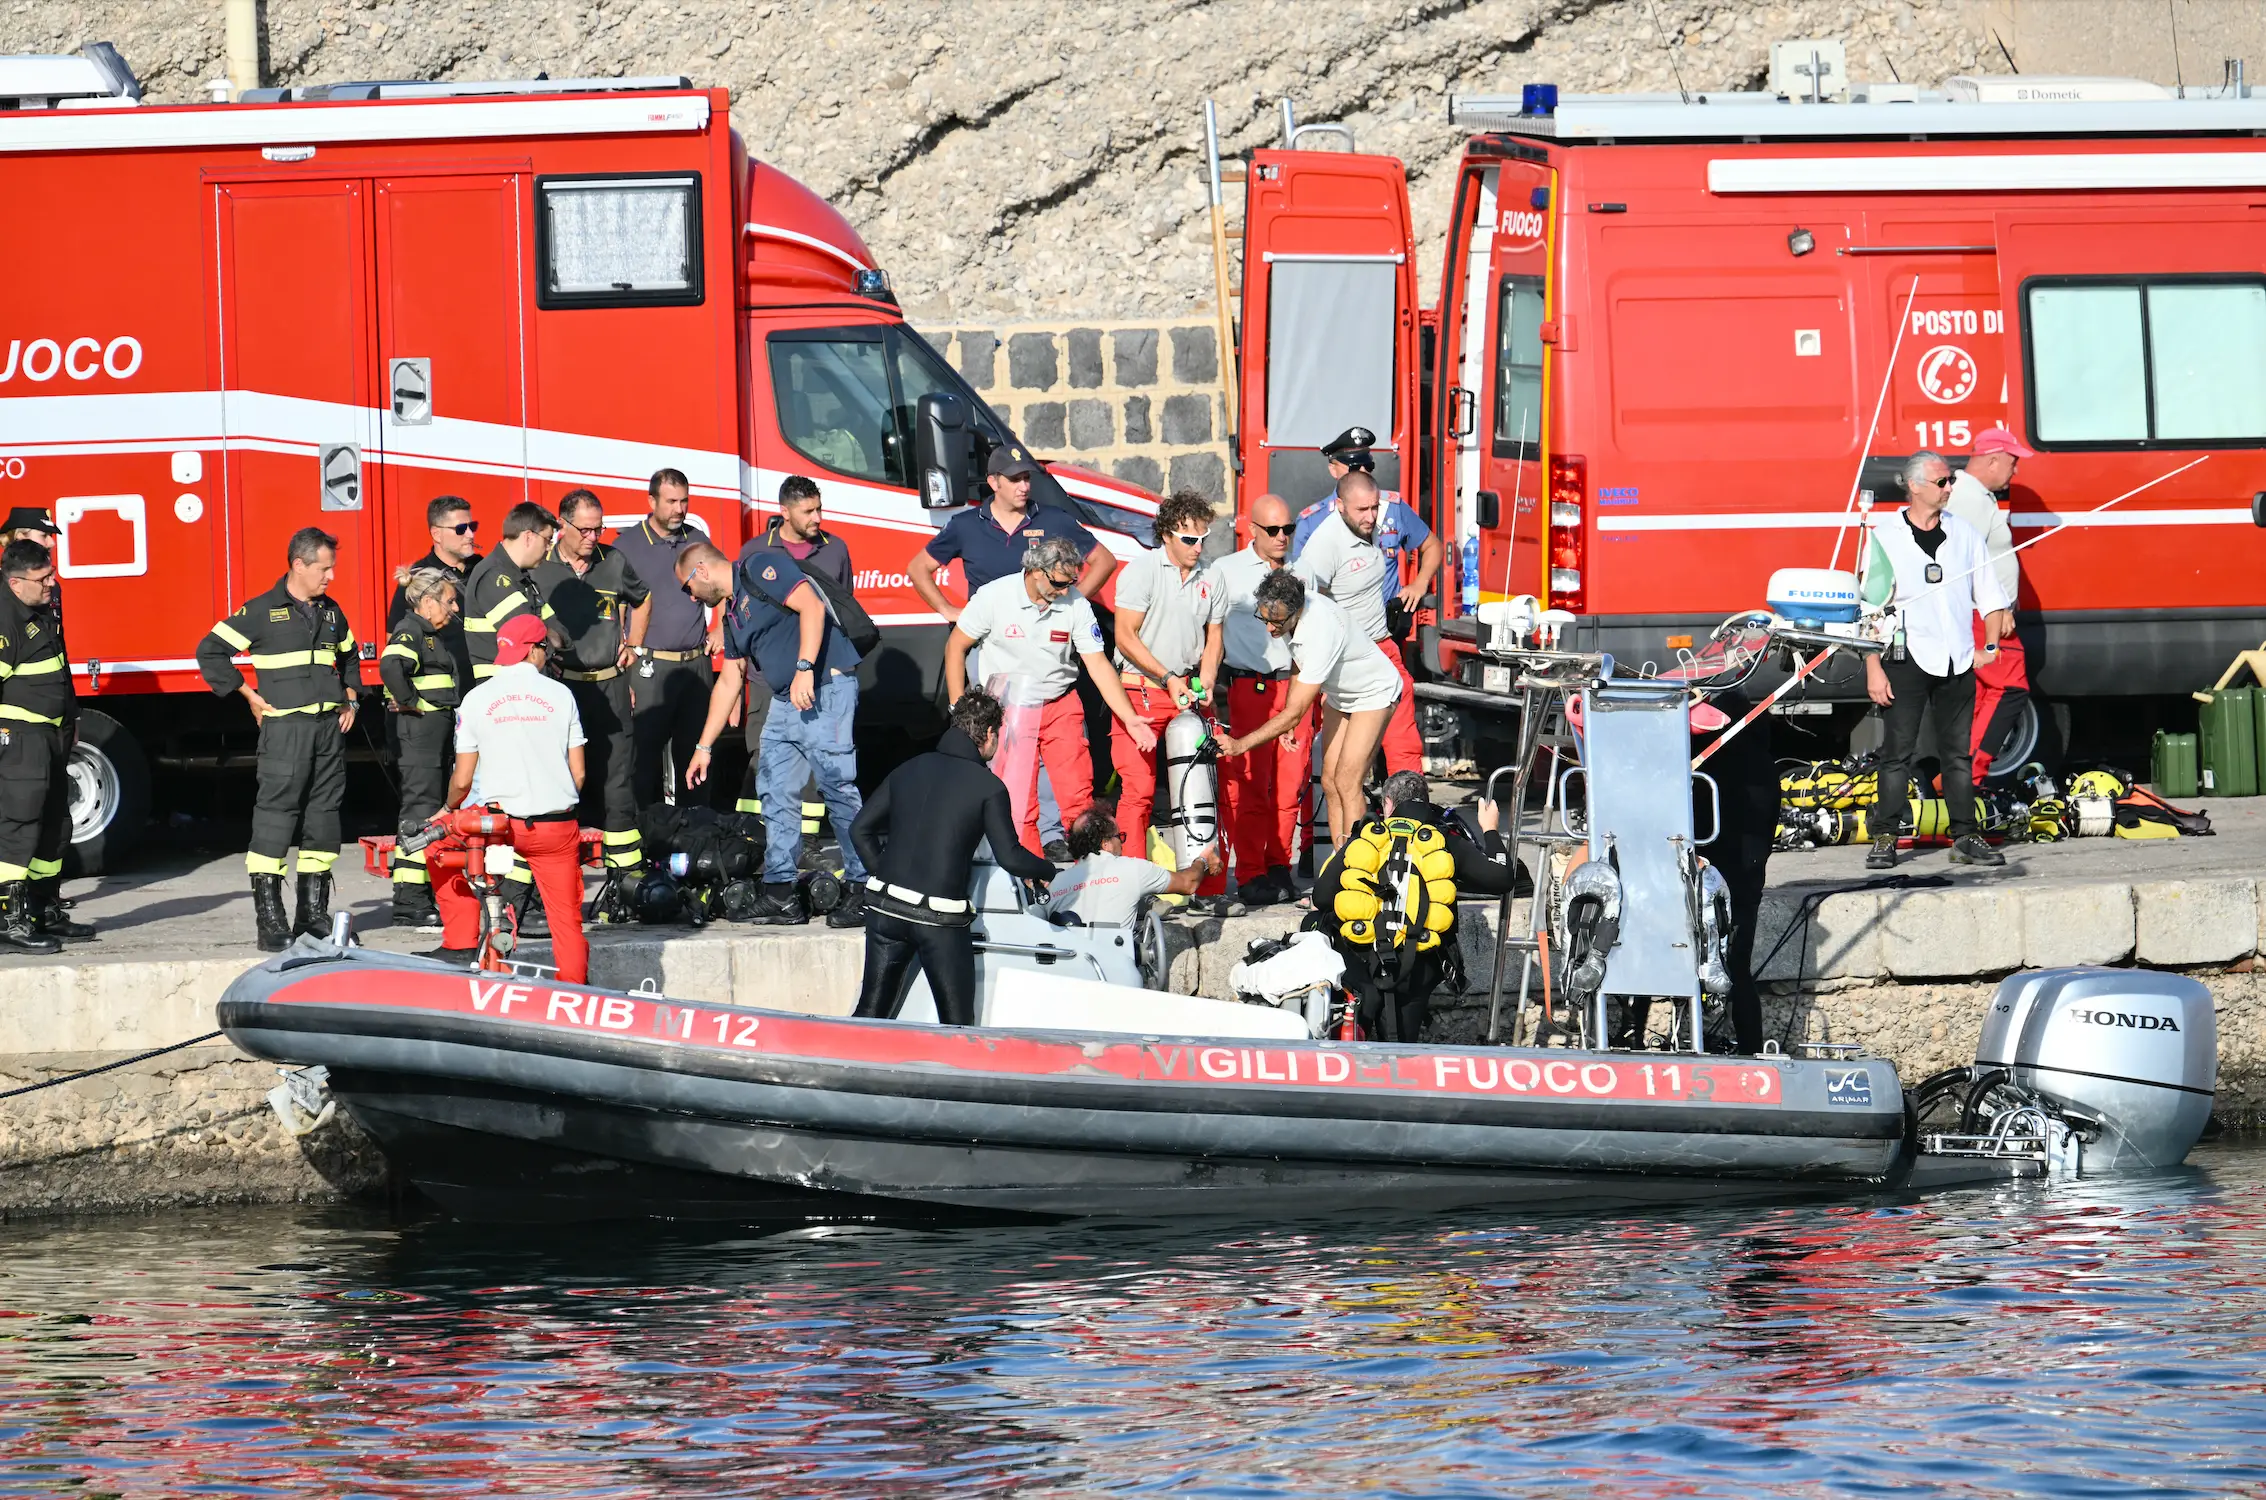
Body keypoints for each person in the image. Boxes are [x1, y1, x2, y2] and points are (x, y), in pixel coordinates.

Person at [911, 445, 1117, 858]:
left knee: (1055, 748)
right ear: (993, 483)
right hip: (990, 649)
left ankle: (1052, 836)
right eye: (1016, 478)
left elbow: (1104, 561)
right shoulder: (967, 524)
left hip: (1042, 644)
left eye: (1028, 478)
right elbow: (919, 568)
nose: (1025, 486)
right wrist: (949, 610)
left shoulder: (1054, 520)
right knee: (1005, 752)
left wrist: (1067, 600)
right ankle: (1006, 837)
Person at [676, 538, 869, 928]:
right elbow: (730, 681)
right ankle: (781, 894)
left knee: (836, 787)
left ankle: (863, 888)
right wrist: (703, 746)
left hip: (824, 688)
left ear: (701, 570)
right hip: (785, 701)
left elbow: (811, 606)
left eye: (687, 587)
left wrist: (804, 668)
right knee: (774, 788)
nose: (690, 596)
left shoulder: (760, 566)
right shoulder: (730, 615)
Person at [848, 688, 1057, 1025]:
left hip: (884, 909)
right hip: (937, 919)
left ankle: (846, 1066)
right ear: (989, 734)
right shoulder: (988, 787)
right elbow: (1012, 857)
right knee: (956, 1024)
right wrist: (1047, 868)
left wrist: (884, 875)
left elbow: (859, 830)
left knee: (872, 1012)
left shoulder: (909, 767)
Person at [196, 526, 360, 950]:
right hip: (286, 729)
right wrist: (247, 693)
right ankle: (271, 922)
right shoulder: (261, 611)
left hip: (328, 730)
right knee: (276, 817)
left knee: (323, 819)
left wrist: (352, 698)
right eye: (324, 569)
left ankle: (313, 918)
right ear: (299, 565)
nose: (331, 577)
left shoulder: (330, 611)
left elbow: (349, 653)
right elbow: (209, 649)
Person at [944, 536, 1158, 858]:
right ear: (1035, 570)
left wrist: (1130, 718)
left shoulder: (1075, 603)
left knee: (1079, 796)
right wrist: (959, 711)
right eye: (1060, 582)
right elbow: (955, 647)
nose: (1066, 590)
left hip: (1060, 704)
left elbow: (1098, 665)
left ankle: (1095, 875)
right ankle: (1030, 884)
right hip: (1009, 710)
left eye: (1072, 581)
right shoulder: (993, 597)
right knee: (1017, 801)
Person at [1862, 451, 2014, 870]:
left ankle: (1965, 836)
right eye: (1942, 481)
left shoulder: (1963, 533)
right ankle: (1886, 837)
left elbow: (1989, 592)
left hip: (1957, 659)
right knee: (1897, 753)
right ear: (1914, 486)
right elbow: (1870, 608)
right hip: (1904, 656)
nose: (1950, 488)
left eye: (1950, 481)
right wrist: (1873, 668)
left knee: (1957, 755)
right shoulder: (1884, 535)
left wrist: (1989, 646)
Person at [434, 616, 590, 983]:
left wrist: (449, 809)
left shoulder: (477, 699)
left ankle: (475, 958)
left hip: (497, 828)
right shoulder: (561, 694)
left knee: (445, 855)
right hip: (556, 825)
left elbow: (462, 779)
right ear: (536, 650)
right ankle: (576, 996)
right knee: (565, 922)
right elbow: (579, 773)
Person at [1310, 771, 1520, 1042]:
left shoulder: (1366, 837)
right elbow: (1501, 878)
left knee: (1354, 1037)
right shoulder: (1442, 840)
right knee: (1403, 1047)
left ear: (1388, 804)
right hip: (1419, 960)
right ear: (1425, 801)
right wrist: (1490, 829)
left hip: (1363, 958)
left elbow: (1323, 897)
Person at [1215, 569, 1401, 853]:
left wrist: (1241, 745)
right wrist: (1292, 711)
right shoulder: (1295, 606)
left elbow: (1294, 709)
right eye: (1263, 618)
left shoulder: (1319, 630)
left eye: (1275, 622)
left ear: (1296, 610)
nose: (1269, 629)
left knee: (1347, 782)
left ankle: (1359, 869)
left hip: (1374, 693)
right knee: (1329, 781)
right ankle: (1341, 863)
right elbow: (1298, 662)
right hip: (1342, 695)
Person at [533, 489, 650, 891]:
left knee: (618, 781)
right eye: (584, 529)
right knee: (563, 782)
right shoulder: (539, 567)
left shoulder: (613, 560)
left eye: (598, 528)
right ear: (561, 525)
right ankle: (564, 878)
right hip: (561, 689)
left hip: (610, 687)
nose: (592, 536)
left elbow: (644, 597)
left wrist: (633, 643)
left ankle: (626, 882)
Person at [1109, 491, 1226, 890]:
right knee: (1138, 793)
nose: (1199, 547)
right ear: (1166, 535)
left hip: (1188, 690)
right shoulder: (1141, 571)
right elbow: (1125, 636)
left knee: (1203, 790)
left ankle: (1206, 888)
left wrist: (1207, 679)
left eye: (1204, 538)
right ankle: (1134, 888)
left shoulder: (1212, 575)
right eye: (1189, 539)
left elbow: (1215, 637)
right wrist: (1166, 676)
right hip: (1141, 689)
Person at [732, 474, 851, 843]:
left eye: (819, 508)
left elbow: (843, 609)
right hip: (768, 679)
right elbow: (738, 615)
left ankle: (808, 845)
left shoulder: (836, 549)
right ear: (784, 512)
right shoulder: (755, 551)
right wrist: (736, 680)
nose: (817, 518)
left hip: (820, 679)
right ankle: (754, 840)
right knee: (763, 759)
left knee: (817, 762)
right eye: (808, 511)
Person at [1292, 470, 1424, 775]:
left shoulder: (1371, 528)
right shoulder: (1325, 544)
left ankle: (1411, 817)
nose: (1371, 516)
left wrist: (1418, 583)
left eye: (1374, 507)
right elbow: (1305, 609)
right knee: (1344, 773)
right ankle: (1350, 822)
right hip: (1348, 660)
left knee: (1404, 745)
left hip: (1382, 647)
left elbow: (1429, 543)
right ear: (1340, 506)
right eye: (1362, 510)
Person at [1211, 493, 1305, 908]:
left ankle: (1279, 863)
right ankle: (1249, 872)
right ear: (1253, 529)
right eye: (1273, 530)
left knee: (1290, 786)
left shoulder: (1304, 571)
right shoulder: (1226, 571)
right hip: (1250, 686)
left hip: (1296, 683)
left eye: (1289, 529)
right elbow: (1209, 632)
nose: (1282, 537)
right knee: (1249, 785)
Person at [0, 539, 91, 952]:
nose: (52, 583)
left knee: (56, 825)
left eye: (51, 574)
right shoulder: (6, 618)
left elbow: (59, 666)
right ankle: (10, 919)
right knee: (20, 827)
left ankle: (43, 909)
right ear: (17, 584)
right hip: (22, 738)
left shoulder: (42, 608)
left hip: (53, 733)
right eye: (43, 579)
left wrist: (70, 718)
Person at [612, 468, 716, 808]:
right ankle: (646, 834)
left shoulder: (697, 537)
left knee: (697, 757)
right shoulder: (627, 545)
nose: (679, 509)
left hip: (695, 665)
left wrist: (720, 631)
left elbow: (725, 587)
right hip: (648, 668)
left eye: (684, 501)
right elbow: (616, 608)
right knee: (642, 760)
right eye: (671, 501)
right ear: (651, 501)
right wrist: (623, 667)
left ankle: (696, 835)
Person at [379, 568, 464, 929]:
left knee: (432, 809)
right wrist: (411, 701)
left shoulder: (429, 632)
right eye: (448, 600)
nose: (455, 607)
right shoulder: (411, 629)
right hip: (420, 735)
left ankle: (422, 891)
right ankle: (409, 899)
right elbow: (390, 665)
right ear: (427, 603)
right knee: (420, 808)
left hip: (434, 733)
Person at [1948, 428, 2035, 782]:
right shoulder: (1970, 500)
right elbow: (1959, 563)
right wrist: (1996, 611)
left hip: (1983, 614)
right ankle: (1968, 778)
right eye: (2013, 463)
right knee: (2010, 688)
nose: (2015, 471)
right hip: (1983, 616)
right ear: (1993, 459)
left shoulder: (1975, 496)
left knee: (1986, 694)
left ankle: (1956, 779)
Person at [1291, 428, 1442, 628]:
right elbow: (1302, 586)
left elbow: (1433, 546)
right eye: (1354, 466)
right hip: (1339, 632)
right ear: (1333, 469)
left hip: (1388, 629)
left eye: (1368, 465)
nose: (1362, 471)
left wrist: (1419, 584)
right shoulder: (1312, 521)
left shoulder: (1392, 508)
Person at [1044, 808, 1217, 927]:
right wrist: (1203, 859)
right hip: (1115, 971)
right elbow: (1189, 883)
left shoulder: (1055, 885)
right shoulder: (1132, 869)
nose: (1122, 842)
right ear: (1106, 844)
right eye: (1119, 836)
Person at [462, 502, 558, 682]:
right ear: (529, 537)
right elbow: (527, 636)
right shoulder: (493, 576)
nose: (548, 548)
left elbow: (558, 631)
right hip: (501, 691)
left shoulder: (521, 578)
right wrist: (550, 648)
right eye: (547, 540)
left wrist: (552, 645)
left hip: (519, 685)